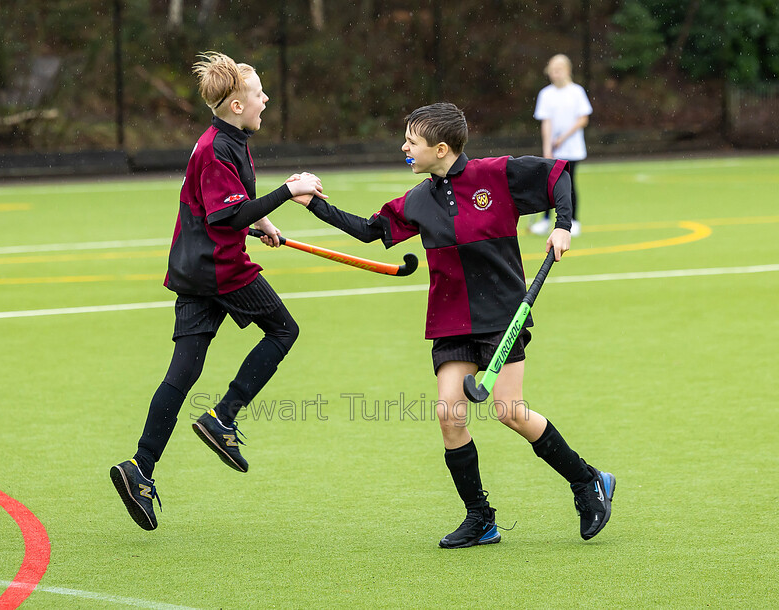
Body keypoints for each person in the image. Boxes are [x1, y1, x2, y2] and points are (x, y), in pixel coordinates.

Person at [294, 102, 614, 548]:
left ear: (440, 148)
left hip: (502, 315)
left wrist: (562, 225)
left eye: (412, 142)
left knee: (509, 411)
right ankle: (481, 518)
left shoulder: (495, 175)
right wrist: (314, 205)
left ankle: (588, 481)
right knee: (449, 414)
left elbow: (557, 172)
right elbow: (371, 231)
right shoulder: (418, 200)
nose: (404, 147)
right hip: (450, 320)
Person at [110, 52, 325, 531]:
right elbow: (224, 216)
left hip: (192, 268)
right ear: (234, 105)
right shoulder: (217, 148)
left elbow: (232, 203)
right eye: (257, 93)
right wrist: (289, 191)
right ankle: (222, 417)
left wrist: (262, 222)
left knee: (183, 370)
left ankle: (139, 469)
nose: (264, 98)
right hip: (218, 269)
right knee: (283, 330)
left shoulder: (230, 139)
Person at [529, 54, 592, 237]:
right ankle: (546, 220)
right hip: (554, 150)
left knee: (569, 184)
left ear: (567, 71)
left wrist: (563, 138)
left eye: (559, 70)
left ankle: (573, 220)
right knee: (550, 184)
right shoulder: (546, 94)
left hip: (573, 149)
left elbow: (583, 119)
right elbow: (546, 123)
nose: (555, 74)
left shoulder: (577, 92)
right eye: (552, 70)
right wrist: (547, 148)